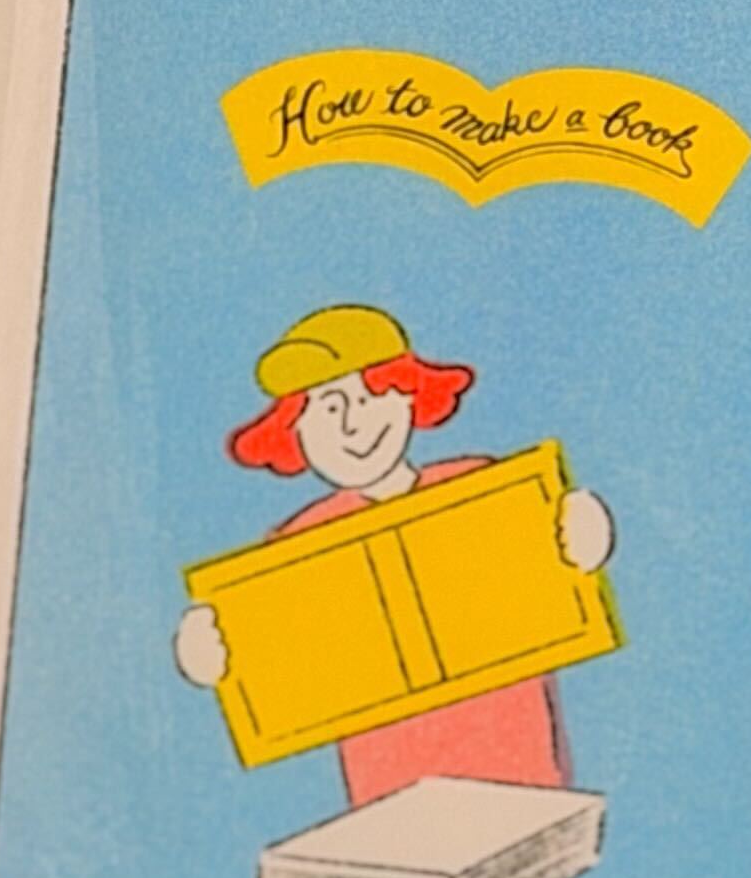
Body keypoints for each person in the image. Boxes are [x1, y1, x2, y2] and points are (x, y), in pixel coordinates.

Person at [172, 305, 614, 809]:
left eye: (369, 396)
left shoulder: (478, 486)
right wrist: (213, 654)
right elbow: (269, 662)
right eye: (328, 408)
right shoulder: (299, 543)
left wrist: (579, 535)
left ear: (409, 396)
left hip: (515, 763)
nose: (352, 424)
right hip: (392, 788)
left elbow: (558, 571)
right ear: (294, 431)